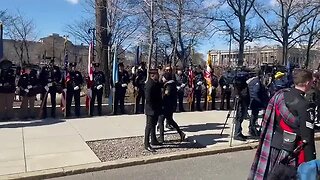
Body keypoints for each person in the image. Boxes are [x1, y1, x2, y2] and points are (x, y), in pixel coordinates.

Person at [249, 69, 316, 180]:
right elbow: (307, 137)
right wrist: (311, 162)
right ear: (307, 83)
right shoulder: (305, 105)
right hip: (294, 150)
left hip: (275, 144)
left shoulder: (280, 96)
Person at [158, 72, 186, 143]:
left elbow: (166, 95)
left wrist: (161, 99)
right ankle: (181, 133)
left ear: (166, 78)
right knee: (170, 120)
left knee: (161, 121)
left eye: (163, 77)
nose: (162, 78)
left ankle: (161, 138)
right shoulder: (170, 84)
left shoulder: (169, 86)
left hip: (167, 106)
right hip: (170, 106)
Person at [144, 69, 163, 152]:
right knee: (149, 126)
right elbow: (148, 98)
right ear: (152, 75)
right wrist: (153, 107)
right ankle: (146, 144)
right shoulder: (149, 84)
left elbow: (160, 87)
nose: (158, 76)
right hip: (151, 109)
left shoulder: (156, 83)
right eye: (157, 74)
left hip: (156, 108)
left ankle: (154, 140)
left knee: (153, 125)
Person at [246, 70, 269, 137]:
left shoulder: (253, 81)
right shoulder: (256, 82)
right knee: (254, 117)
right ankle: (252, 130)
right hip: (255, 103)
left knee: (254, 117)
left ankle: (252, 129)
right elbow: (255, 93)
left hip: (254, 102)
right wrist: (260, 103)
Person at [233, 71, 250, 141]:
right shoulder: (239, 83)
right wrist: (239, 97)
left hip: (243, 101)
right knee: (239, 118)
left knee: (241, 118)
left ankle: (239, 132)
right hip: (240, 102)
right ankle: (237, 134)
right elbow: (238, 93)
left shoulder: (242, 83)